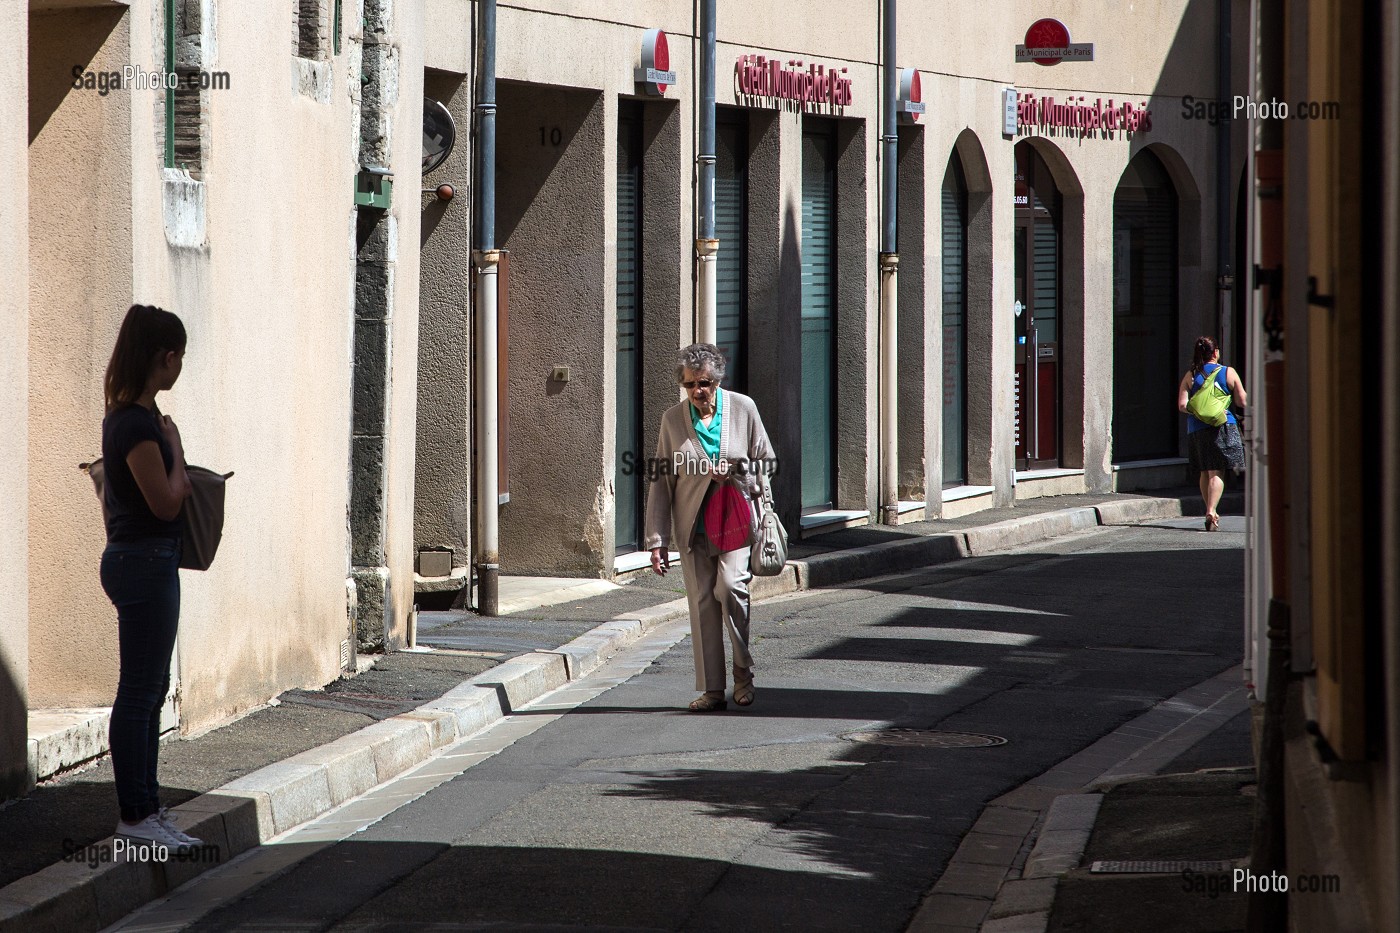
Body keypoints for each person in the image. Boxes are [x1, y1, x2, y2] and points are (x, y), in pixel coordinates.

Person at [100, 304, 203, 850]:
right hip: (143, 561)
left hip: (137, 560)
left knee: (150, 688)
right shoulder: (137, 424)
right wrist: (180, 456)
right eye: (179, 357)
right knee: (140, 692)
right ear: (165, 357)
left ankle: (147, 808)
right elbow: (165, 502)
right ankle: (135, 816)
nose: (180, 367)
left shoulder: (124, 416)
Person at [646, 344, 777, 712]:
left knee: (732, 587)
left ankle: (742, 672)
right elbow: (661, 481)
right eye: (689, 385)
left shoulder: (743, 408)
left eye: (703, 383)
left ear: (717, 380)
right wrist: (657, 542)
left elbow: (766, 460)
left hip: (735, 521)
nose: (697, 391)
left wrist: (741, 472)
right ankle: (712, 690)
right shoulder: (672, 421)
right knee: (702, 603)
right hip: (694, 528)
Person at [1178, 335, 1247, 531]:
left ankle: (1209, 509)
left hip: (1197, 428)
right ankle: (1211, 510)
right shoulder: (1227, 372)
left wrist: (1201, 412)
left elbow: (1182, 405)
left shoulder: (1190, 375)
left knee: (1205, 470)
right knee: (1217, 471)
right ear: (1215, 352)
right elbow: (1242, 401)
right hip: (1222, 426)